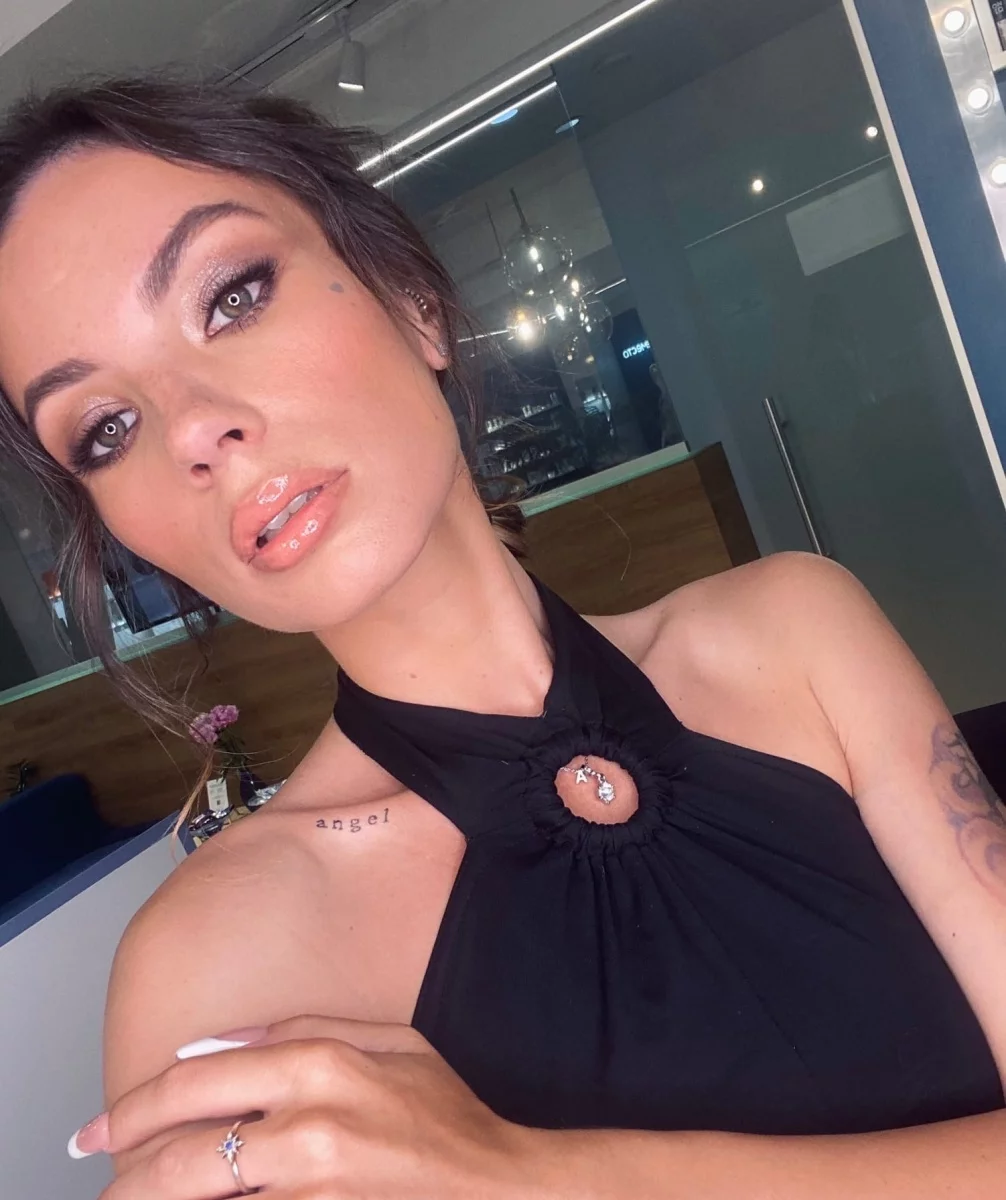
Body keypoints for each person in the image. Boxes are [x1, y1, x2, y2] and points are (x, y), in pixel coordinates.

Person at [0, 78, 1004, 1199]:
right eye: (105, 429)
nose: (193, 428)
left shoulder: (796, 632)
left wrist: (549, 1176)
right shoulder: (215, 962)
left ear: (412, 300)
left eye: (231, 297)